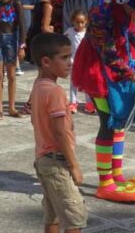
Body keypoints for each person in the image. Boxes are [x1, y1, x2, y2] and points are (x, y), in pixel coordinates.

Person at [72, 0, 135, 203]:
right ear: (127, 1)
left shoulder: (126, 2)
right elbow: (107, 53)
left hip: (122, 60)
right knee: (108, 122)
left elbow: (132, 31)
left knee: (121, 122)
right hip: (98, 67)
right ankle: (105, 183)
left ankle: (117, 175)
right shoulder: (103, 7)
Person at [29, 32, 87, 232]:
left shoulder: (38, 86)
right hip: (57, 162)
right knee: (74, 217)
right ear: (46, 61)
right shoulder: (55, 92)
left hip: (43, 160)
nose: (70, 62)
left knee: (52, 214)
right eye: (64, 57)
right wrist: (74, 165)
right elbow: (60, 132)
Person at [21, 0, 61, 115]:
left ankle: (36, 102)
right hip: (43, 42)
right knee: (44, 75)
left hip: (34, 40)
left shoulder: (39, 4)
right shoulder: (48, 6)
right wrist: (54, 33)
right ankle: (31, 103)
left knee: (42, 74)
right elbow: (44, 27)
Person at [64, 9, 95, 114]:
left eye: (82, 22)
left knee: (87, 83)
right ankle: (73, 102)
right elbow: (64, 42)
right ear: (73, 21)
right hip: (73, 61)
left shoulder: (88, 33)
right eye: (77, 22)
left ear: (86, 21)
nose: (80, 24)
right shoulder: (69, 32)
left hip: (86, 62)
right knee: (73, 82)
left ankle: (89, 103)